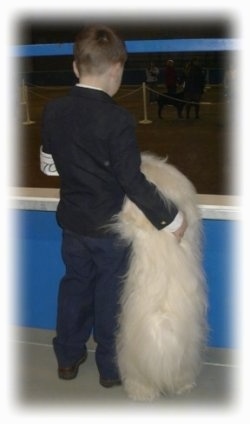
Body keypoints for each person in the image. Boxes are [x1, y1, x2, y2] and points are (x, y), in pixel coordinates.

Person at [40, 25, 187, 389]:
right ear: (117, 68)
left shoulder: (53, 110)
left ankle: (67, 359)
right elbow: (132, 181)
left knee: (73, 287)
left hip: (72, 224)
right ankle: (109, 369)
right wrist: (171, 218)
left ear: (76, 67)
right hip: (109, 230)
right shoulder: (118, 119)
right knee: (110, 294)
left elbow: (48, 166)